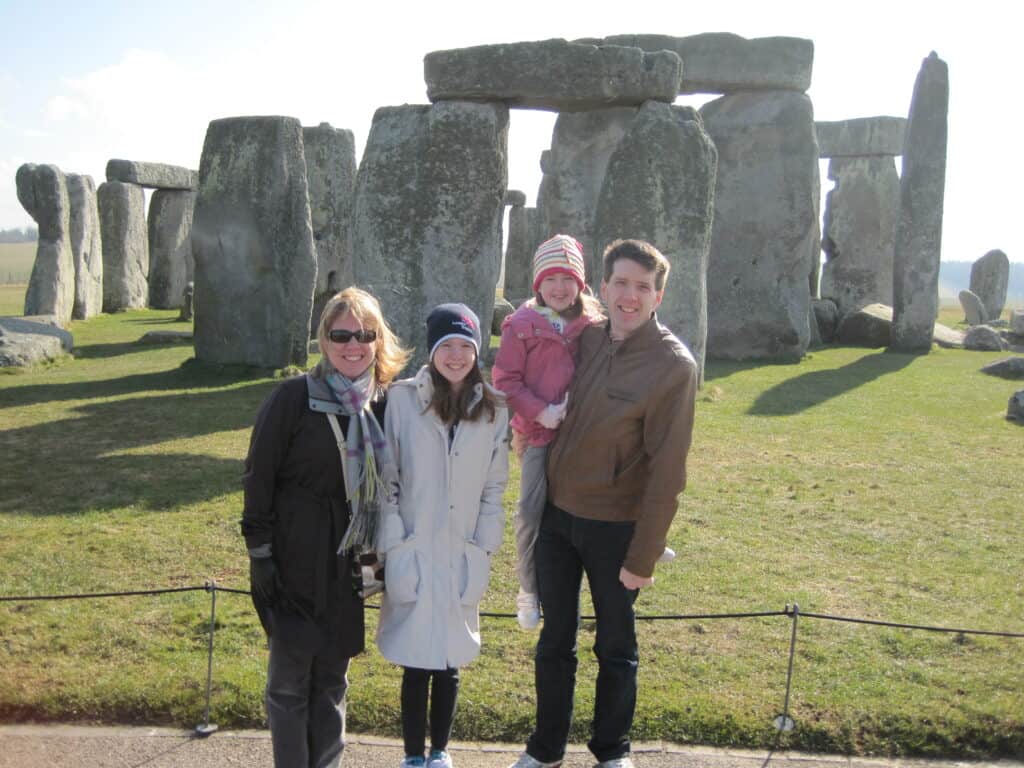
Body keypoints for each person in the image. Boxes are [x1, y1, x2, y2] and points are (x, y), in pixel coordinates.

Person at [508, 239, 699, 768]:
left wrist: (643, 557)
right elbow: (532, 338)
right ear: (604, 287)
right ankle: (545, 749)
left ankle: (611, 750)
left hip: (617, 528)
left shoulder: (672, 366)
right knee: (555, 644)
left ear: (658, 295)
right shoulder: (586, 338)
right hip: (557, 519)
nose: (630, 296)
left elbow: (668, 470)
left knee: (615, 647)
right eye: (621, 283)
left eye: (643, 287)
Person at [241, 286, 410, 768]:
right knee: (290, 684)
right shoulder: (294, 397)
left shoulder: (384, 404)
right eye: (341, 334)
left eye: (365, 334)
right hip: (294, 555)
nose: (353, 344)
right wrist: (260, 554)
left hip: (351, 560)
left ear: (379, 340)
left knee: (332, 683)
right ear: (324, 338)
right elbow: (259, 476)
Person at [376, 303, 510, 768]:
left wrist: (486, 541)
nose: (456, 356)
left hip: (462, 548)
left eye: (465, 346)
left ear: (477, 350)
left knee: (451, 660)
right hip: (414, 543)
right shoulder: (399, 400)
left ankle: (441, 752)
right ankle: (413, 755)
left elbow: (495, 482)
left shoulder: (494, 410)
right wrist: (394, 537)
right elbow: (387, 475)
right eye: (446, 346)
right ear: (432, 350)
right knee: (416, 662)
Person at [492, 234, 604, 629]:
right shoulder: (522, 325)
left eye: (568, 278)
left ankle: (643, 543)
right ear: (539, 284)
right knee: (530, 510)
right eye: (551, 279)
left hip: (586, 432)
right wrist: (541, 413)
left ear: (581, 283)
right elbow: (505, 380)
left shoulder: (592, 324)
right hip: (541, 433)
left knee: (623, 476)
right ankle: (527, 590)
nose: (560, 288)